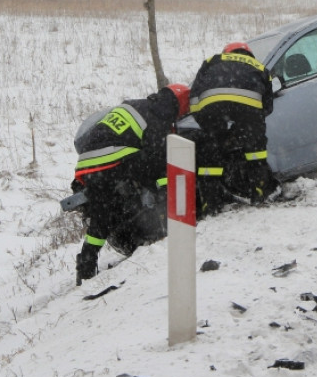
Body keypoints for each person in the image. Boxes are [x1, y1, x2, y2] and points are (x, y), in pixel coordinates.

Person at [72, 83, 190, 285]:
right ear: (177, 105)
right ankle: (162, 223)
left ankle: (86, 262)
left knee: (102, 214)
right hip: (113, 158)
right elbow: (156, 157)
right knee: (153, 165)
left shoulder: (137, 105)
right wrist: (165, 190)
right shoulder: (157, 116)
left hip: (88, 164)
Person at [189, 42, 280, 216]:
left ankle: (211, 204)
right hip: (248, 107)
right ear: (249, 54)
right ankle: (259, 193)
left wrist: (208, 126)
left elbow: (194, 95)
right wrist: (245, 129)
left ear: (227, 52)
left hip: (211, 106)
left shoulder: (211, 61)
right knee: (256, 153)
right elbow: (267, 107)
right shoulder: (259, 67)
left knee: (210, 155)